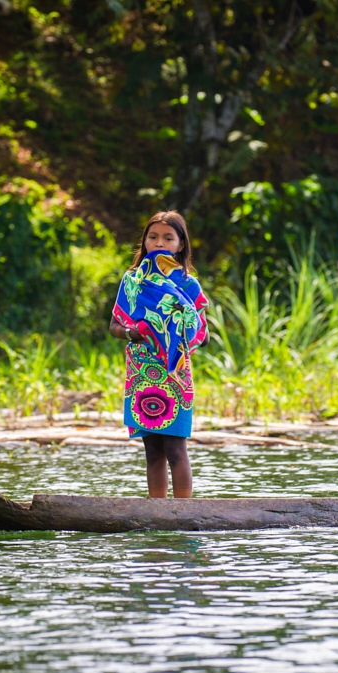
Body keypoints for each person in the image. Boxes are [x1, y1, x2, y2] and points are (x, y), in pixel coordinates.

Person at [110, 211, 209, 499]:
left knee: (175, 448)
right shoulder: (131, 281)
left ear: (180, 245)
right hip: (141, 371)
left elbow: (203, 334)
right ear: (144, 242)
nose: (159, 243)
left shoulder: (189, 285)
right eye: (152, 237)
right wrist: (137, 331)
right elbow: (115, 326)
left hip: (174, 371)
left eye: (168, 238)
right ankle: (158, 513)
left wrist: (172, 327)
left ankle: (183, 513)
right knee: (152, 450)